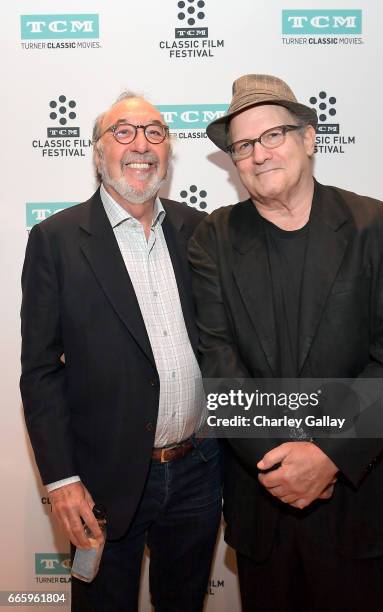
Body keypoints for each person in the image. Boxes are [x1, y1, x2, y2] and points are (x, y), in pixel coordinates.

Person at [188, 74, 383, 612]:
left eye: (272, 135)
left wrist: (326, 454)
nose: (258, 154)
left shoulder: (380, 227)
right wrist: (283, 463)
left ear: (309, 137)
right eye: (243, 145)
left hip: (363, 508)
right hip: (263, 512)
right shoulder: (214, 239)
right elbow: (219, 366)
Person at [20, 92, 221, 612]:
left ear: (169, 151)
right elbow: (41, 372)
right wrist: (62, 480)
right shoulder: (56, 240)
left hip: (197, 469)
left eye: (155, 132)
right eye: (124, 132)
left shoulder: (197, 229)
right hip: (104, 482)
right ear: (97, 151)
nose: (142, 145)